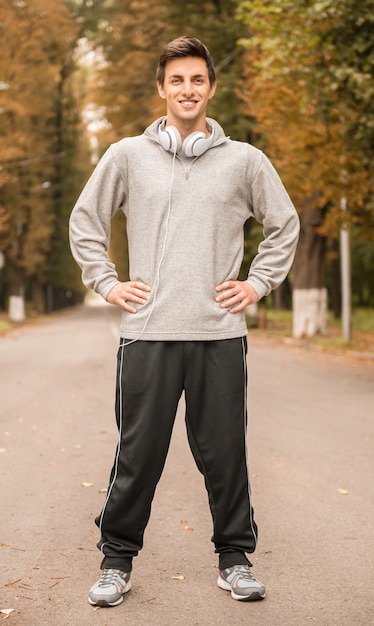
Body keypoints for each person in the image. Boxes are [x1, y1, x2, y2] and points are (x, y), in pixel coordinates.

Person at [69, 35, 299, 607]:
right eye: (177, 80)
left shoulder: (245, 160)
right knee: (138, 452)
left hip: (219, 334)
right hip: (146, 333)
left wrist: (257, 282)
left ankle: (234, 560)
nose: (187, 89)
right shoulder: (126, 155)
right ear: (162, 89)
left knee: (225, 454)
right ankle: (116, 562)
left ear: (211, 88)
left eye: (197, 79)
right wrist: (107, 281)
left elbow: (283, 224)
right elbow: (85, 221)